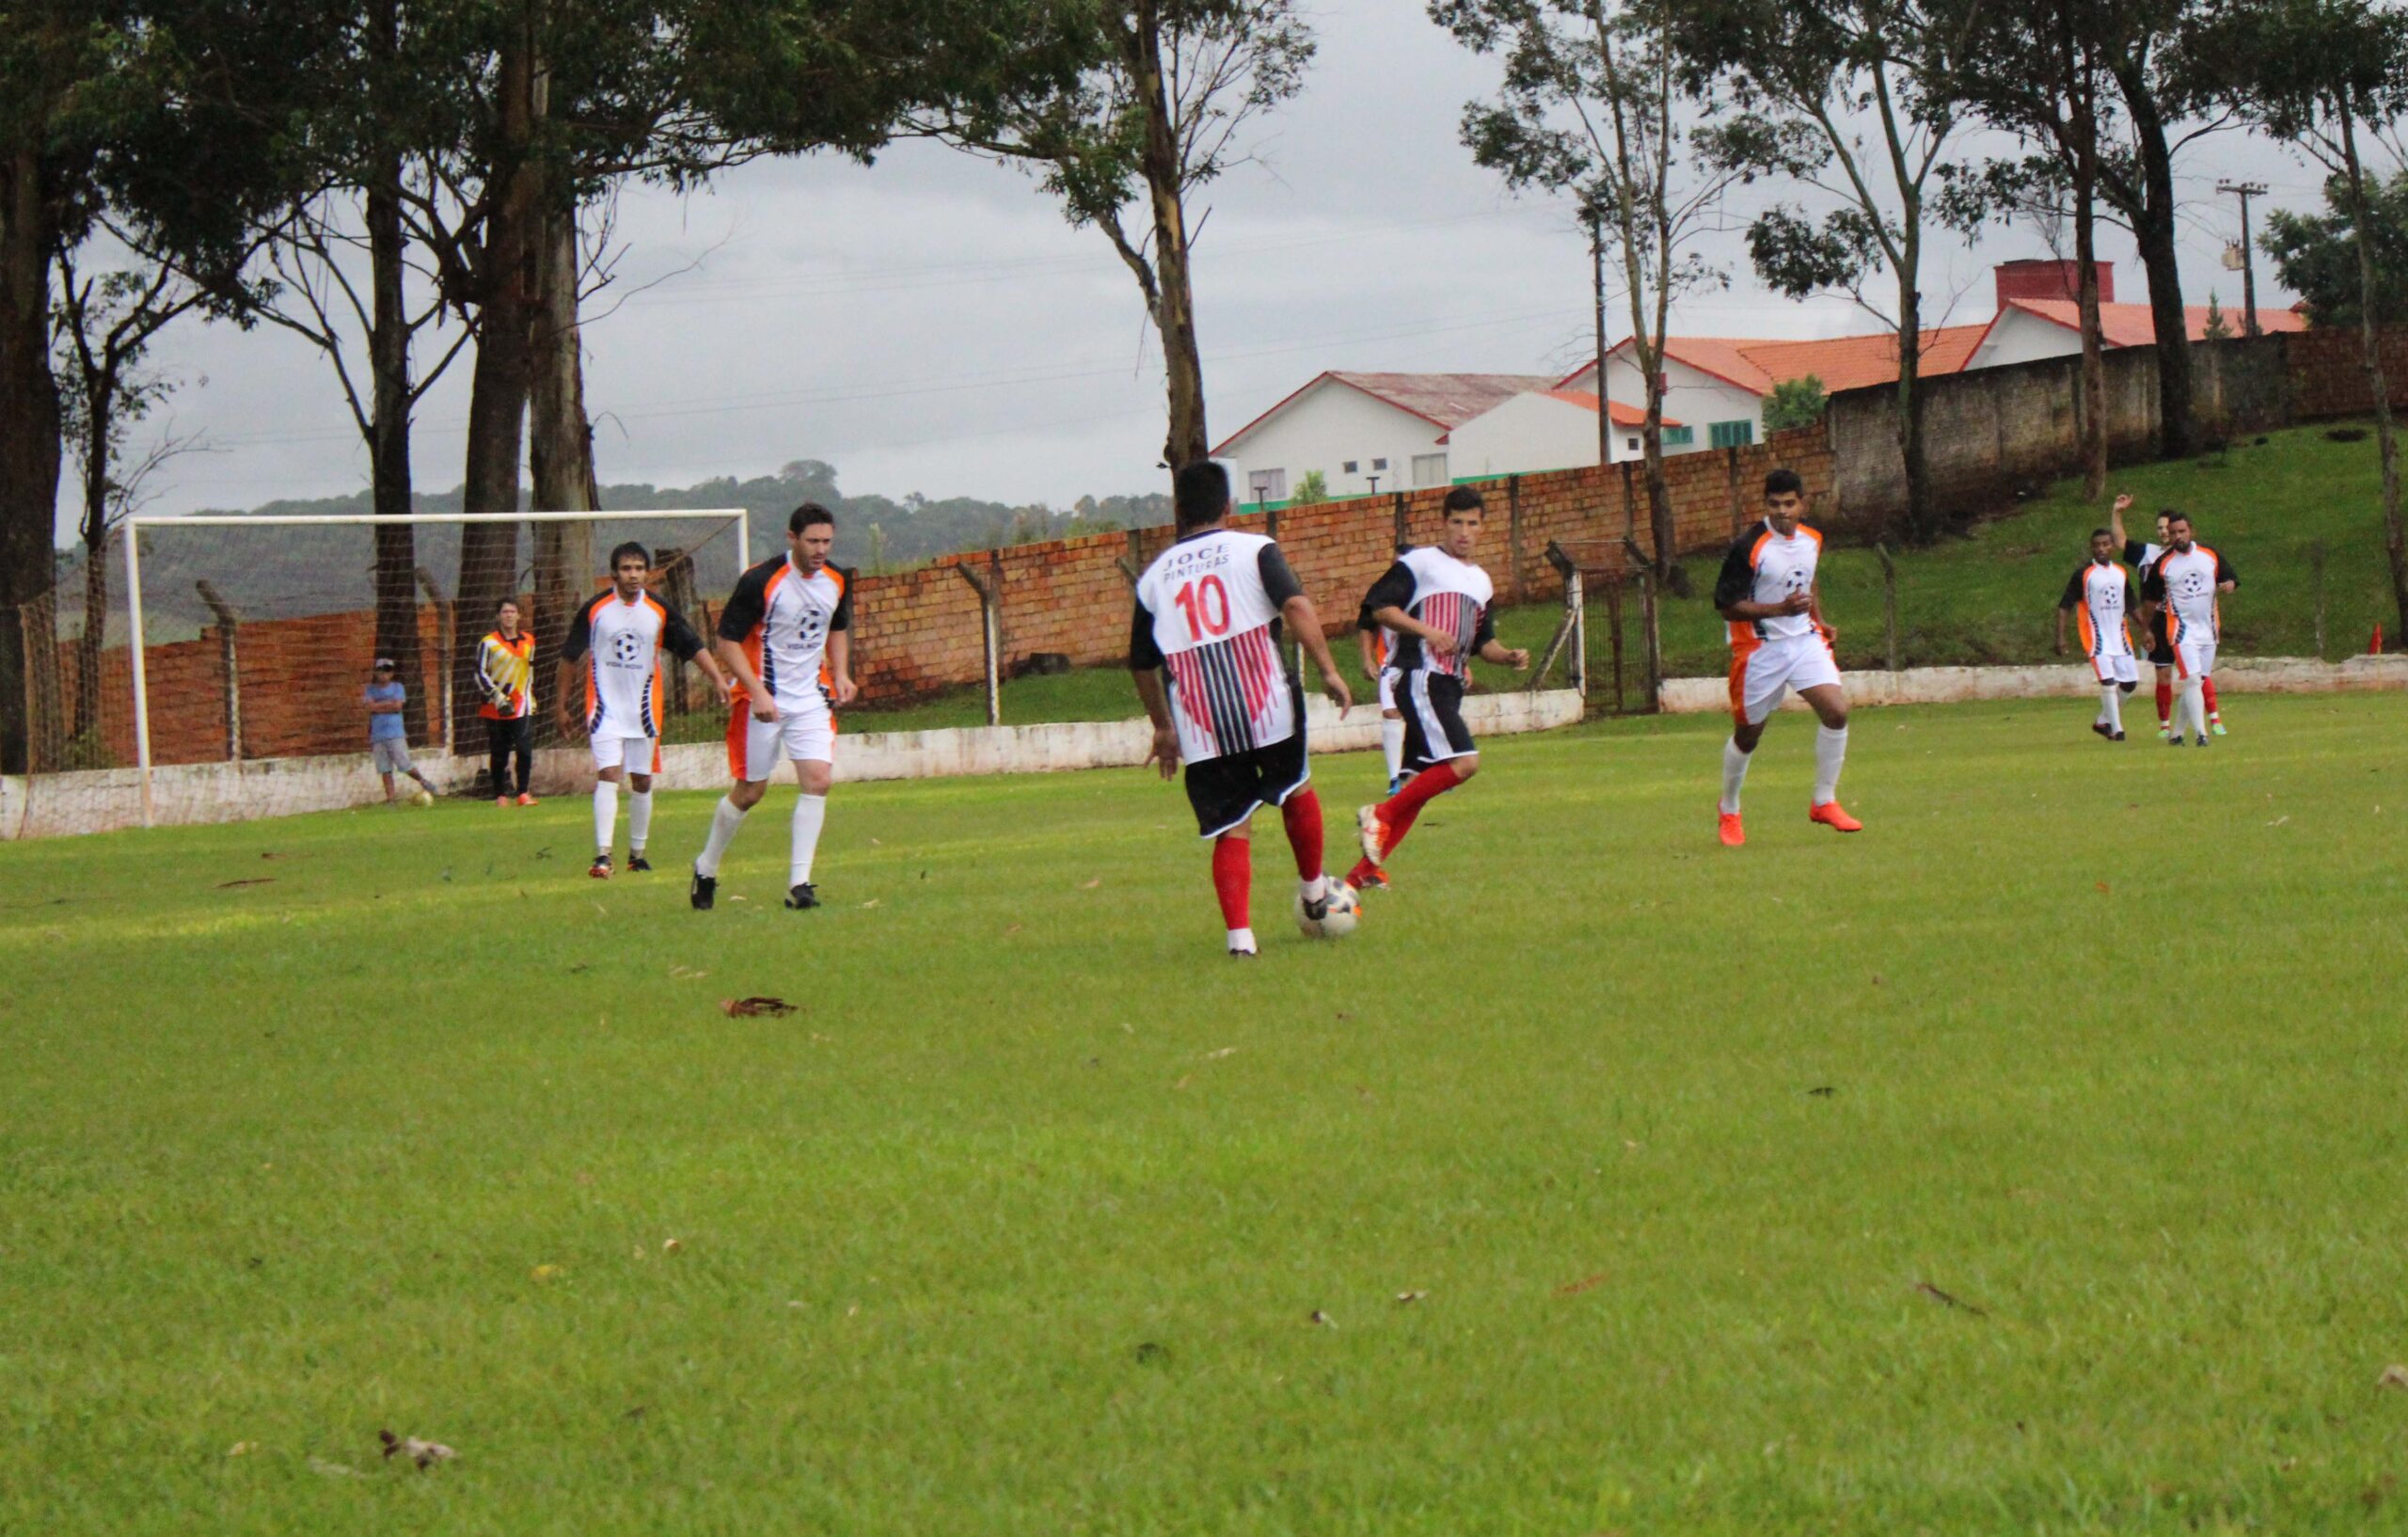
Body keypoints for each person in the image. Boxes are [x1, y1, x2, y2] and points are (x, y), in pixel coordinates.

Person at [1130, 460, 1354, 957]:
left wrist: (1163, 728)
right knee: (1296, 788)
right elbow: (1295, 605)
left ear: (1179, 511)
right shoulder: (1255, 549)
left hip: (1201, 723)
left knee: (1233, 826)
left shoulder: (1153, 579)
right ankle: (1315, 892)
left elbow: (1141, 664)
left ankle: (1241, 941)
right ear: (1227, 507)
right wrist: (1329, 670)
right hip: (1266, 706)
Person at [1342, 486, 1530, 890]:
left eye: (1472, 523)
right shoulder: (1420, 563)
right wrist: (1427, 630)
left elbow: (1483, 643)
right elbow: (1379, 608)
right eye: (1457, 522)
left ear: (1483, 528)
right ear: (1443, 523)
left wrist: (1509, 654)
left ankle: (1360, 876)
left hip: (1448, 684)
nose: (1464, 531)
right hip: (1421, 676)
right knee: (1465, 763)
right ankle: (1380, 813)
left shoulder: (1481, 581)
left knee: (1416, 786)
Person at [691, 503, 859, 912]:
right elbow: (727, 642)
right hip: (761, 699)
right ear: (791, 538)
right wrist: (757, 691)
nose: (820, 549)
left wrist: (841, 673)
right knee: (750, 792)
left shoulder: (836, 579)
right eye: (812, 541)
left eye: (826, 541)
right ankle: (706, 866)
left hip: (810, 699)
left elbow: (837, 627)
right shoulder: (761, 581)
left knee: (818, 780)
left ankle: (799, 883)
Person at [555, 542, 732, 879]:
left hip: (644, 709)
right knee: (608, 774)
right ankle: (603, 856)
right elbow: (569, 657)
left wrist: (718, 679)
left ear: (647, 573)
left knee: (642, 779)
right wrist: (560, 705)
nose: (633, 575)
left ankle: (637, 854)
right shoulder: (595, 610)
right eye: (626, 568)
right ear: (614, 573)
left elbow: (693, 645)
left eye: (639, 568)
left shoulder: (659, 611)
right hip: (604, 707)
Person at [1712, 467, 1858, 848]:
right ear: (1765, 505)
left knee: (1837, 712)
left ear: (1802, 504)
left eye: (1789, 504)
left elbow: (1808, 580)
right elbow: (1727, 606)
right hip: (1760, 649)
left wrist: (1820, 621)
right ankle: (1729, 808)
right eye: (1774, 504)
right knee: (1748, 736)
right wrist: (1780, 609)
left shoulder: (1812, 539)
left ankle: (1824, 801)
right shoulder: (1749, 546)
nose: (1782, 511)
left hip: (1804, 641)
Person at [2109, 495, 2222, 737]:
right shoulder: (2148, 553)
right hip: (2160, 621)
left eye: (2168, 528)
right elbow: (2120, 541)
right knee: (2164, 673)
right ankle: (2166, 726)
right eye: (2160, 527)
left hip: (2188, 620)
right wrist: (2117, 512)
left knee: (2197, 675)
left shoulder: (2198, 556)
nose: (2164, 532)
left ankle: (2213, 720)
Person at [2149, 513, 2239, 747]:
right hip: (2181, 631)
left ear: (2191, 531)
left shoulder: (2209, 555)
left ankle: (2177, 733)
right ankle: (2201, 733)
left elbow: (2230, 578)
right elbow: (2149, 597)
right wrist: (2149, 629)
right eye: (2173, 533)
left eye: (2182, 531)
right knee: (2192, 679)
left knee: (2195, 683)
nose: (2178, 536)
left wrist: (2229, 584)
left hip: (2208, 630)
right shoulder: (2164, 563)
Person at [2055, 527, 2143, 741]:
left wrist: (2146, 630)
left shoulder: (2120, 573)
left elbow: (2131, 604)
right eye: (2097, 545)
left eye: (2105, 544)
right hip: (2095, 638)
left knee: (2130, 683)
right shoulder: (2084, 574)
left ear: (2112, 546)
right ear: (2091, 547)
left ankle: (2103, 721)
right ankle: (2118, 730)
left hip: (2120, 637)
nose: (2101, 549)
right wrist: (2060, 636)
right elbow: (2064, 605)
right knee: (2108, 682)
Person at [477, 598, 538, 805]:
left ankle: (523, 792)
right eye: (505, 612)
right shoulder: (488, 642)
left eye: (513, 611)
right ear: (498, 616)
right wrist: (496, 695)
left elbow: (529, 671)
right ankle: (500, 794)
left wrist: (531, 695)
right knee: (499, 750)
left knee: (524, 748)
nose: (509, 615)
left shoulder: (529, 640)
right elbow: (479, 672)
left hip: (522, 703)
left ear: (519, 615)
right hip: (497, 706)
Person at [364, 658, 438, 804]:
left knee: (404, 765)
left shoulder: (398, 687)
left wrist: (379, 706)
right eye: (380, 671)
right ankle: (391, 799)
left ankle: (423, 781)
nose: (383, 674)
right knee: (384, 769)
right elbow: (370, 707)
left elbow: (397, 706)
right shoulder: (370, 689)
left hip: (396, 733)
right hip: (378, 735)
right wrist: (387, 705)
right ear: (376, 672)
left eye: (387, 671)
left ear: (392, 673)